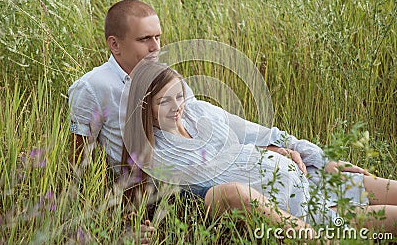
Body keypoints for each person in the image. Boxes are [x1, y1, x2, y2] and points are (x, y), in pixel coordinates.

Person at [122, 62, 397, 235]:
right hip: (292, 206)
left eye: (179, 95)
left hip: (306, 175)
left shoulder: (199, 112)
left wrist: (322, 159)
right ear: (145, 106)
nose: (177, 107)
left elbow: (265, 133)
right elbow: (205, 191)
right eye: (164, 102)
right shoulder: (156, 155)